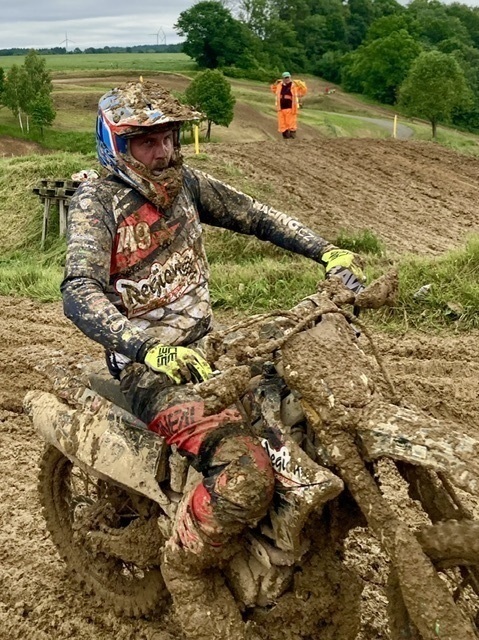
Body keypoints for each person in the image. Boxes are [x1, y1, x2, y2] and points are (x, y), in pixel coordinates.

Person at [61, 80, 364, 640]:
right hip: (148, 370)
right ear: (116, 143)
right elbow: (79, 289)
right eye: (146, 141)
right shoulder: (96, 203)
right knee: (246, 474)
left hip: (211, 349)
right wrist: (145, 346)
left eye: (169, 138)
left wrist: (327, 251)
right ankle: (185, 569)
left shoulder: (187, 186)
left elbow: (257, 215)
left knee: (313, 414)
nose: (163, 152)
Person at [270, 71, 307, 139]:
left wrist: (300, 83)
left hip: (291, 108)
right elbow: (273, 89)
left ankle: (292, 138)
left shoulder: (294, 86)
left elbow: (303, 91)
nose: (287, 79)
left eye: (288, 77)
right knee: (282, 124)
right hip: (281, 108)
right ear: (283, 78)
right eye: (285, 78)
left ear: (290, 77)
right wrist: (275, 83)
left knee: (291, 124)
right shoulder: (279, 85)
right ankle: (285, 138)